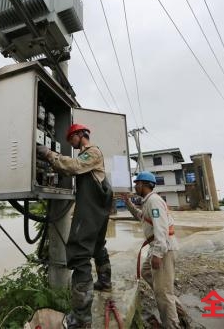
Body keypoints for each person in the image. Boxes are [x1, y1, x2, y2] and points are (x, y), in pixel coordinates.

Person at [37, 123, 113, 329]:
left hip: (92, 211)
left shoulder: (92, 152)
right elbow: (74, 168)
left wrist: (48, 154)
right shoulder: (85, 157)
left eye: (72, 138)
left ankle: (81, 319)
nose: (70, 142)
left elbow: (74, 166)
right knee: (97, 246)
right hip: (98, 210)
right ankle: (105, 282)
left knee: (79, 255)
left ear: (81, 135)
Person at [121, 171, 181, 329]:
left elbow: (161, 229)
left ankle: (172, 324)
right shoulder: (148, 201)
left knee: (163, 294)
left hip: (164, 248)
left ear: (143, 184)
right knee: (147, 271)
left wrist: (157, 254)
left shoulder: (154, 201)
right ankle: (176, 308)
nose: (135, 186)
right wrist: (128, 202)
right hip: (159, 246)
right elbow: (141, 216)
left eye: (137, 183)